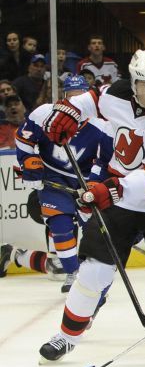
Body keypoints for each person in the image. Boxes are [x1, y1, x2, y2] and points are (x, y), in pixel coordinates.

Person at [37, 49, 145, 361]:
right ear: (133, 82)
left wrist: (108, 190)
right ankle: (66, 336)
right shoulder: (118, 92)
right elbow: (92, 99)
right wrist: (69, 111)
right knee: (93, 272)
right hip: (124, 203)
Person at [15, 74, 112, 293]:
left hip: (86, 182)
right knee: (60, 225)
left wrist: (95, 183)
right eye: (72, 96)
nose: (77, 101)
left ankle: (93, 272)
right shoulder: (44, 114)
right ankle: (73, 273)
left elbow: (105, 160)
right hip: (53, 180)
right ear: (65, 96)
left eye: (81, 97)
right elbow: (24, 139)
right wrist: (29, 163)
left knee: (94, 231)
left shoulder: (103, 125)